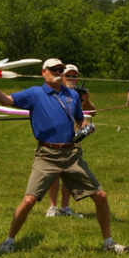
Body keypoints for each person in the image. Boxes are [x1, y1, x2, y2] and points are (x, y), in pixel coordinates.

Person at [0, 58, 129, 254]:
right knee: (29, 201)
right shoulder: (35, 93)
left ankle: (108, 243)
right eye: (53, 69)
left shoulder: (72, 95)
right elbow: (6, 101)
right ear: (43, 72)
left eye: (60, 69)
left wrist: (87, 128)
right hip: (46, 155)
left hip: (71, 154)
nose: (57, 72)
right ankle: (8, 241)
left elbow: (80, 120)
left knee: (100, 195)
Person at [46, 63, 95, 218]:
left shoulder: (78, 94)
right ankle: (52, 207)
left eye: (75, 76)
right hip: (54, 139)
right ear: (62, 76)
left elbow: (91, 112)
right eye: (69, 75)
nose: (72, 79)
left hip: (74, 141)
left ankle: (65, 207)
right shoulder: (56, 91)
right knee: (54, 174)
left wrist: (86, 101)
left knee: (69, 174)